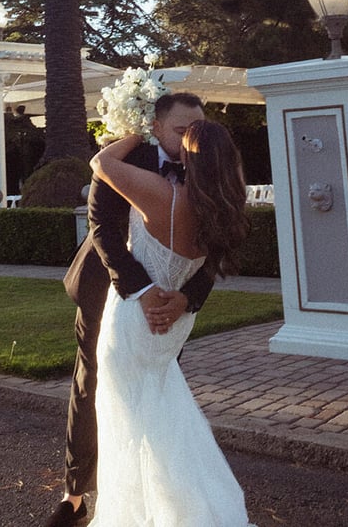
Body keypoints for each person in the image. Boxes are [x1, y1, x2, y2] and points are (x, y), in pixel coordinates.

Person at [46, 93, 213, 527]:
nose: (190, 138)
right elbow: (101, 227)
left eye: (196, 128)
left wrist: (187, 297)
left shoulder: (207, 164)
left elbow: (218, 247)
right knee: (92, 384)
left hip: (172, 303)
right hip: (109, 286)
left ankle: (153, 496)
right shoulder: (127, 157)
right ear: (156, 127)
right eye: (181, 130)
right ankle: (76, 493)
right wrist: (140, 289)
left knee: (155, 391)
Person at [88, 119, 254, 526]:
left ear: (188, 152)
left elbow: (101, 161)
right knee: (167, 416)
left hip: (134, 318)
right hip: (175, 320)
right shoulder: (226, 205)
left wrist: (136, 129)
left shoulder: (163, 194)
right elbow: (208, 267)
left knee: (130, 425)